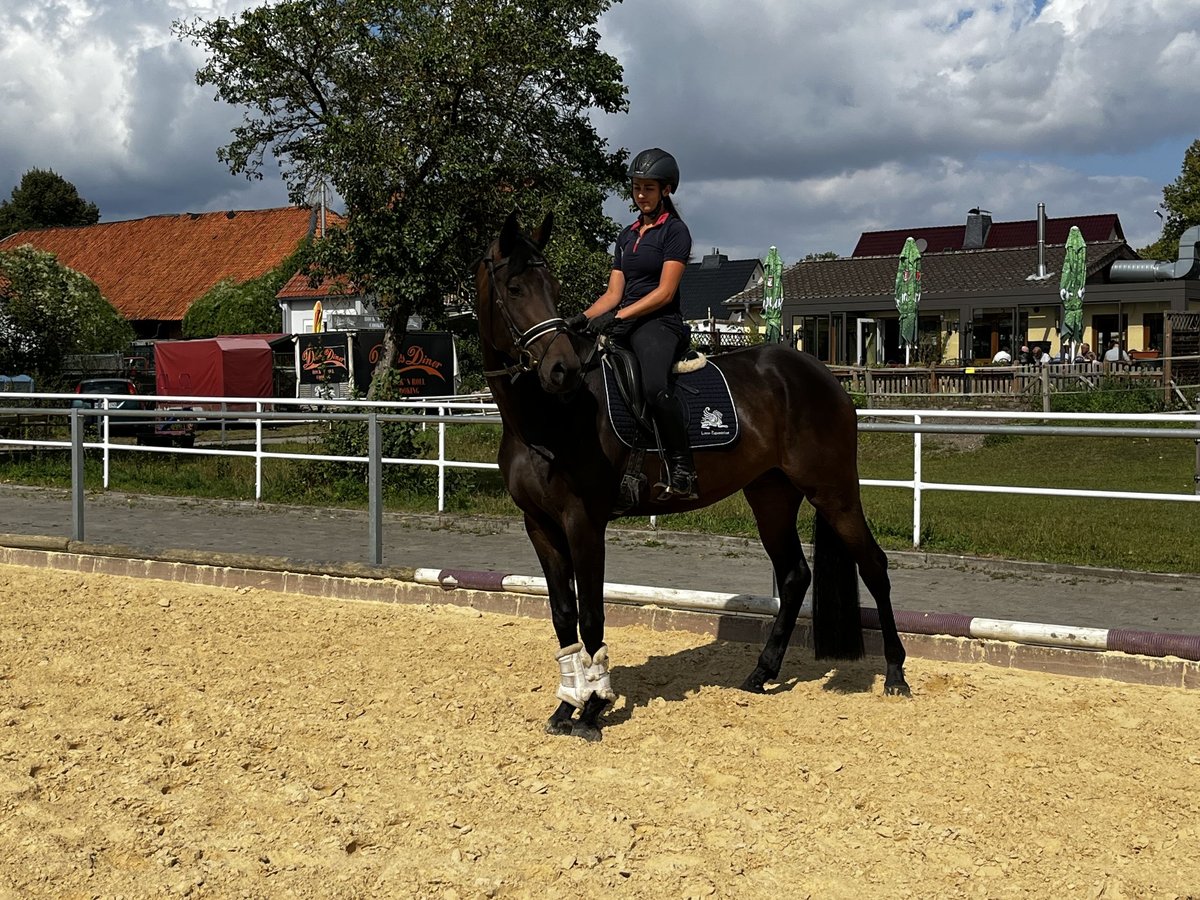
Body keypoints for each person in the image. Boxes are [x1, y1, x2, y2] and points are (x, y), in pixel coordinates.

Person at [571, 148, 697, 500]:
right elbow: (613, 294)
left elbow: (665, 291)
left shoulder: (675, 232)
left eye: (649, 188)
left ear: (666, 190)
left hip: (659, 323)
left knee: (655, 386)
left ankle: (683, 467)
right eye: (637, 187)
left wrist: (619, 317)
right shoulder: (626, 236)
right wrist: (582, 319)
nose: (641, 195)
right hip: (624, 321)